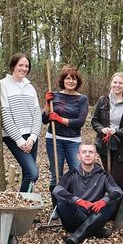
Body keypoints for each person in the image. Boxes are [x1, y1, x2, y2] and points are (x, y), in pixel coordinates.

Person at [52, 143, 123, 244]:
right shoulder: (71, 173)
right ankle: (95, 230)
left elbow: (118, 191)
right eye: (84, 152)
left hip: (94, 212)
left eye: (91, 152)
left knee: (111, 202)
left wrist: (103, 201)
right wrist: (78, 201)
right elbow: (57, 190)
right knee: (61, 201)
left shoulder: (103, 174)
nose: (87, 155)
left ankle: (76, 236)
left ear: (96, 156)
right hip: (75, 215)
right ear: (78, 156)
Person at [90, 72, 123, 209]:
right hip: (105, 144)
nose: (117, 85)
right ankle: (111, 207)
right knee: (108, 177)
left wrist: (118, 131)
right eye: (115, 82)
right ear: (111, 84)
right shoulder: (103, 101)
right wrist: (102, 129)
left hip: (122, 146)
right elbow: (95, 121)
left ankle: (121, 206)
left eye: (120, 83)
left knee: (117, 178)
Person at [42, 66, 89, 210]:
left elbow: (80, 122)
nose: (71, 81)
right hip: (54, 140)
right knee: (56, 175)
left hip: (73, 141)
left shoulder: (82, 99)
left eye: (73, 78)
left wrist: (60, 119)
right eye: (68, 78)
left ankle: (77, 205)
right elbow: (44, 119)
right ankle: (58, 208)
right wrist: (46, 104)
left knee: (77, 172)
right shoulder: (54, 96)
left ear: (77, 81)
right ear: (63, 80)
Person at [0, 53, 42, 192]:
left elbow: (37, 114)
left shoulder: (30, 87)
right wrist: (19, 140)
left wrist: (33, 137)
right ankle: (21, 203)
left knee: (27, 173)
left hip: (31, 136)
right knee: (33, 173)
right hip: (13, 136)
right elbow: (5, 115)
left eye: (26, 66)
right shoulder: (3, 85)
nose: (24, 68)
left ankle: (25, 207)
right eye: (21, 65)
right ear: (13, 66)